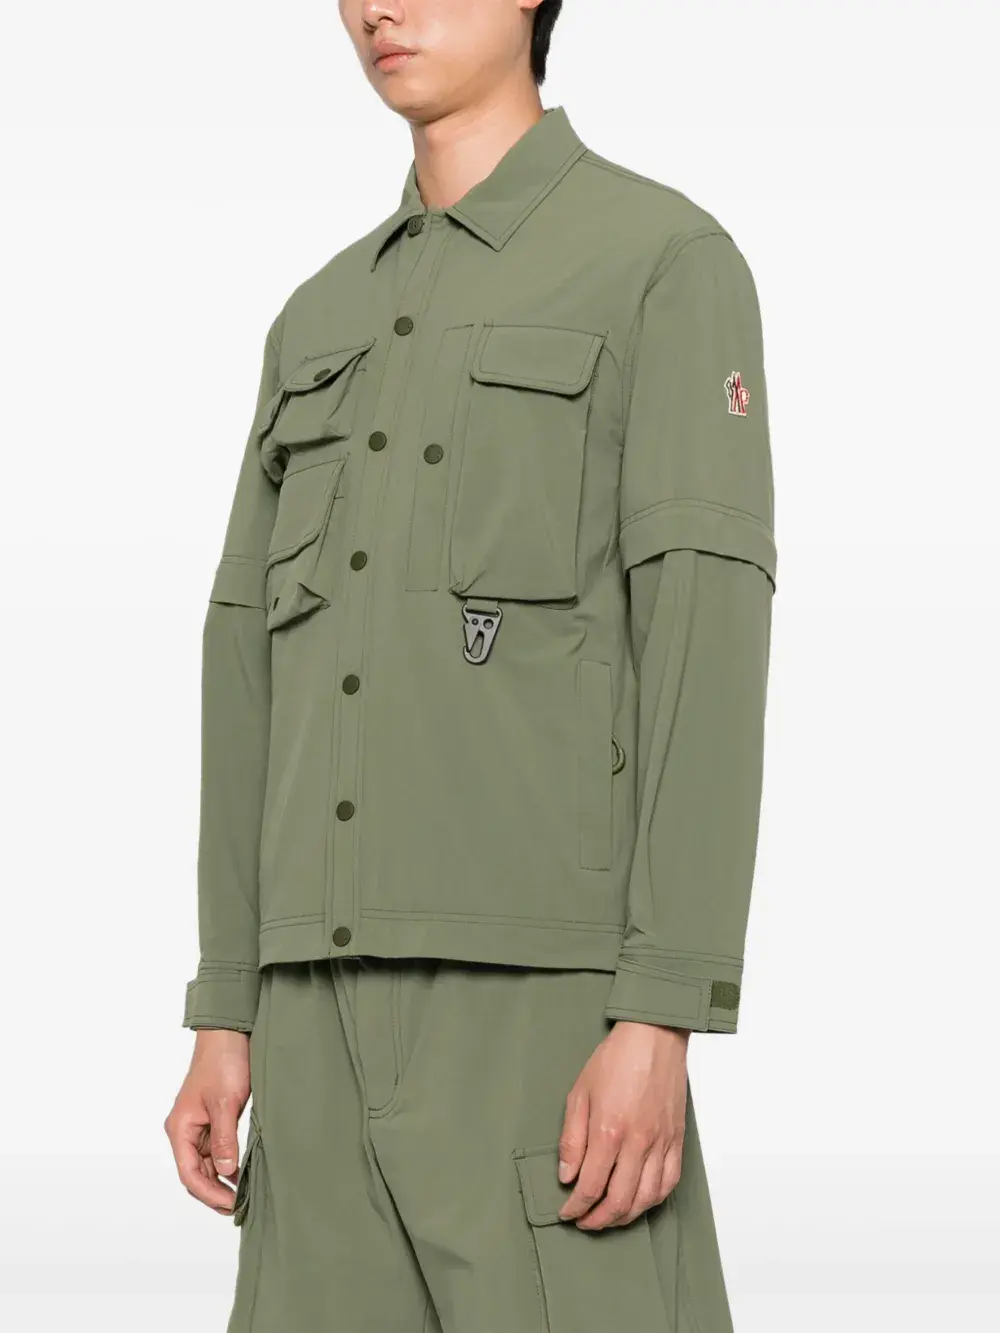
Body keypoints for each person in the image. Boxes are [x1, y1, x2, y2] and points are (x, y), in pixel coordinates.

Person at [164, 2, 777, 1329]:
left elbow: (706, 636)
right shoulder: (318, 318)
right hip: (311, 1024)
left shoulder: (661, 261)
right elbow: (242, 662)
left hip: (541, 1013)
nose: (379, 8)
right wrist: (228, 1007)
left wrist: (661, 1010)